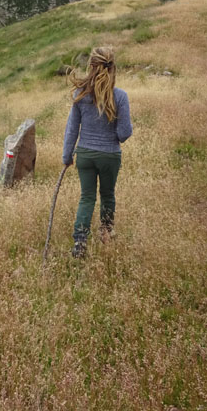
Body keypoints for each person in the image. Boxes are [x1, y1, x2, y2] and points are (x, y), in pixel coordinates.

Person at [62, 46, 132, 258]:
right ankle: (106, 233)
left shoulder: (80, 94)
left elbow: (72, 129)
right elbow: (123, 134)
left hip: (84, 155)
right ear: (112, 68)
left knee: (87, 197)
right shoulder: (120, 96)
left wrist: (67, 156)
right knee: (107, 195)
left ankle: (80, 241)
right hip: (109, 155)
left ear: (90, 67)